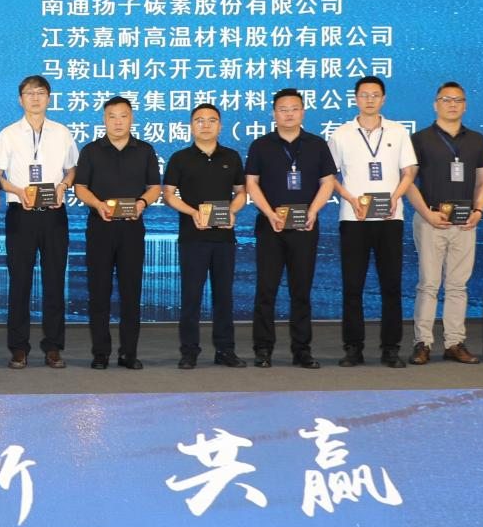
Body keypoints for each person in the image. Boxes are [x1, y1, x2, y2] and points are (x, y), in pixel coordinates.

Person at [328, 76, 417, 368]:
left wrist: (395, 198)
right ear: (355, 98)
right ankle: (353, 348)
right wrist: (350, 199)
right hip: (354, 218)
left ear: (383, 99)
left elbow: (409, 171)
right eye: (364, 95)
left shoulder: (398, 131)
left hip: (390, 217)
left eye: (375, 95)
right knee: (352, 286)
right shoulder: (341, 134)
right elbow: (329, 176)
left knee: (391, 285)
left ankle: (391, 348)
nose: (369, 100)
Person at [244, 89, 337, 369]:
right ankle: (263, 349)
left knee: (301, 290)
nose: (289, 114)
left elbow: (328, 182)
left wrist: (313, 211)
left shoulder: (317, 145)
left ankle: (302, 350)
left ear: (303, 112)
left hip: (305, 227)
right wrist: (269, 213)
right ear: (274, 113)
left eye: (294, 108)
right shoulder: (261, 145)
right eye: (283, 109)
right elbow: (251, 183)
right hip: (270, 226)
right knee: (266, 290)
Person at [0, 75, 78, 369]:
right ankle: (19, 348)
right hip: (21, 214)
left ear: (49, 98)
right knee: (20, 282)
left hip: (54, 215)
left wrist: (63, 186)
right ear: (20, 99)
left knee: (54, 282)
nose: (35, 98)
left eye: (41, 93)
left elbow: (72, 169)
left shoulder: (62, 132)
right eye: (30, 93)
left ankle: (53, 347)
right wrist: (18, 191)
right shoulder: (8, 134)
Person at [72, 96, 161, 370]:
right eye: (112, 116)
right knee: (99, 292)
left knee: (131, 293)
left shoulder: (145, 150)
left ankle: (128, 353)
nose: (118, 121)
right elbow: (80, 187)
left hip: (132, 229)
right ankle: (100, 353)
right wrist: (97, 204)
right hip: (100, 228)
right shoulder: (91, 151)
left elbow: (154, 187)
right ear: (104, 119)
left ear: (131, 118)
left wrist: (142, 203)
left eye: (123, 116)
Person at [405, 83, 483, 365]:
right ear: (435, 104)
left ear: (465, 105)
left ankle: (454, 342)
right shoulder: (420, 138)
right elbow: (408, 182)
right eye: (446, 99)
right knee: (428, 284)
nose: (452, 104)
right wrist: (426, 214)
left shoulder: (476, 140)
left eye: (458, 100)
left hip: (465, 222)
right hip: (431, 220)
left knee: (457, 285)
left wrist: (479, 210)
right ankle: (422, 343)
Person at [163, 104, 248, 369]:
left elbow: (241, 193)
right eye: (199, 120)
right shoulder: (180, 158)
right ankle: (189, 351)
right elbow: (168, 195)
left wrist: (232, 211)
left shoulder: (231, 157)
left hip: (224, 238)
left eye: (212, 120)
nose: (206, 125)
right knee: (191, 296)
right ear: (191, 126)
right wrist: (193, 213)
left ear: (220, 126)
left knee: (224, 296)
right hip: (193, 238)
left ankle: (225, 350)